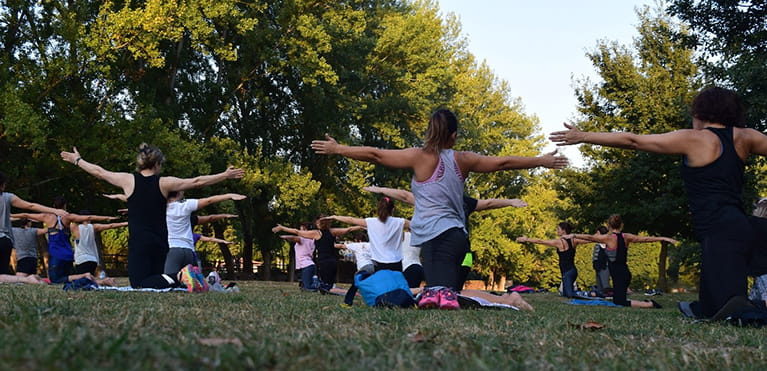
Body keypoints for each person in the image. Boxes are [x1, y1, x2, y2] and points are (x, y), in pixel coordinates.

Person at [312, 109, 567, 309]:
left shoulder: (419, 156)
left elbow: (376, 155)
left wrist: (339, 149)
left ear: (429, 131)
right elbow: (503, 162)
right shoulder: (463, 159)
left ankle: (507, 300)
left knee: (443, 296)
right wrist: (540, 161)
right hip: (456, 239)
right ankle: (502, 300)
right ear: (453, 136)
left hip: (439, 238)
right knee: (440, 295)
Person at [551, 86, 767, 318]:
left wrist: (584, 136)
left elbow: (633, 141)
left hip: (720, 233)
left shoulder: (695, 139)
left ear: (700, 113)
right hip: (740, 227)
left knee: (732, 312)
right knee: (711, 308)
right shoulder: (747, 137)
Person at [60, 143, 244, 289]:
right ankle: (196, 278)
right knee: (158, 282)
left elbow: (99, 172)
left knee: (139, 283)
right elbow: (196, 182)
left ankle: (182, 275)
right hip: (161, 243)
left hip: (140, 242)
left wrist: (78, 160)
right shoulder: (165, 183)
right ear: (157, 164)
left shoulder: (128, 180)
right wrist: (224, 175)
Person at [363, 185, 528, 290]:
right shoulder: (435, 200)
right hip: (449, 249)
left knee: (454, 286)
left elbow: (489, 203)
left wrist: (510, 201)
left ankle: (452, 295)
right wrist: (382, 190)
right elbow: (406, 196)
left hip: (461, 251)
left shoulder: (463, 202)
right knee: (446, 288)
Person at [564, 214, 677, 308]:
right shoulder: (626, 236)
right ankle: (647, 303)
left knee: (619, 302)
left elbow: (589, 237)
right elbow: (645, 239)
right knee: (617, 299)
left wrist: (573, 235)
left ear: (608, 225)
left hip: (619, 274)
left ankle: (650, 304)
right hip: (624, 272)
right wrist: (664, 238)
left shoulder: (607, 238)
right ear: (621, 225)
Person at [14, 196, 119, 284]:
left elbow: (26, 215)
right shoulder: (68, 217)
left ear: (54, 206)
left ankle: (85, 276)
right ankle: (100, 280)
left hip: (56, 255)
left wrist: (10, 215)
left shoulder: (47, 217)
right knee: (69, 279)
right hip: (68, 255)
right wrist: (108, 217)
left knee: (55, 280)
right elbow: (89, 217)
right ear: (65, 205)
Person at [0, 171, 67, 282]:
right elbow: (30, 205)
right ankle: (28, 279)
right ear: (2, 185)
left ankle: (27, 280)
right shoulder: (8, 197)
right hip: (5, 241)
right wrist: (55, 210)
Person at [164, 191, 246, 276]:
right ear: (178, 194)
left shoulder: (158, 209)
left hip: (172, 249)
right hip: (189, 251)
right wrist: (229, 196)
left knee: (169, 279)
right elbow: (209, 204)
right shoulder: (185, 207)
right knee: (192, 282)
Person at [272, 216, 363, 293]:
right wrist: (362, 226)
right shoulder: (333, 231)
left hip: (323, 262)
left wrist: (282, 228)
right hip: (333, 261)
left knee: (324, 287)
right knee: (329, 285)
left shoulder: (317, 233)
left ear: (319, 223)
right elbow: (349, 229)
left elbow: (297, 232)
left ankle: (329, 289)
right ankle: (331, 288)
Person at [516, 222, 592, 298]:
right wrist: (598, 238)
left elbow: (541, 241)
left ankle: (591, 293)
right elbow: (589, 239)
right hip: (572, 271)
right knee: (565, 294)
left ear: (564, 230)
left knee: (569, 295)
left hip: (567, 273)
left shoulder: (559, 242)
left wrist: (527, 239)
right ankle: (586, 293)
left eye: (558, 229)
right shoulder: (574, 240)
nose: (557, 231)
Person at [70, 211, 127, 285]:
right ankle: (106, 280)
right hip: (92, 259)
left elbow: (69, 219)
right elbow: (111, 225)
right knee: (90, 281)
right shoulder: (93, 227)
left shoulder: (75, 228)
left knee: (83, 282)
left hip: (81, 260)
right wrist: (126, 223)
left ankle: (106, 281)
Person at [279, 222, 319, 291]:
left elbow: (294, 238)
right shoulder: (312, 240)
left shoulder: (303, 239)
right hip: (309, 265)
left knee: (308, 288)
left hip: (306, 266)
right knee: (303, 286)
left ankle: (321, 285)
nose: (300, 232)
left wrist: (284, 237)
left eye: (301, 230)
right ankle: (316, 283)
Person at [591, 226, 610, 294]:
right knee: (599, 281)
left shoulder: (606, 242)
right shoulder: (598, 243)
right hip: (597, 264)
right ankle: (600, 293)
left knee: (604, 281)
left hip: (604, 265)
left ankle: (607, 293)